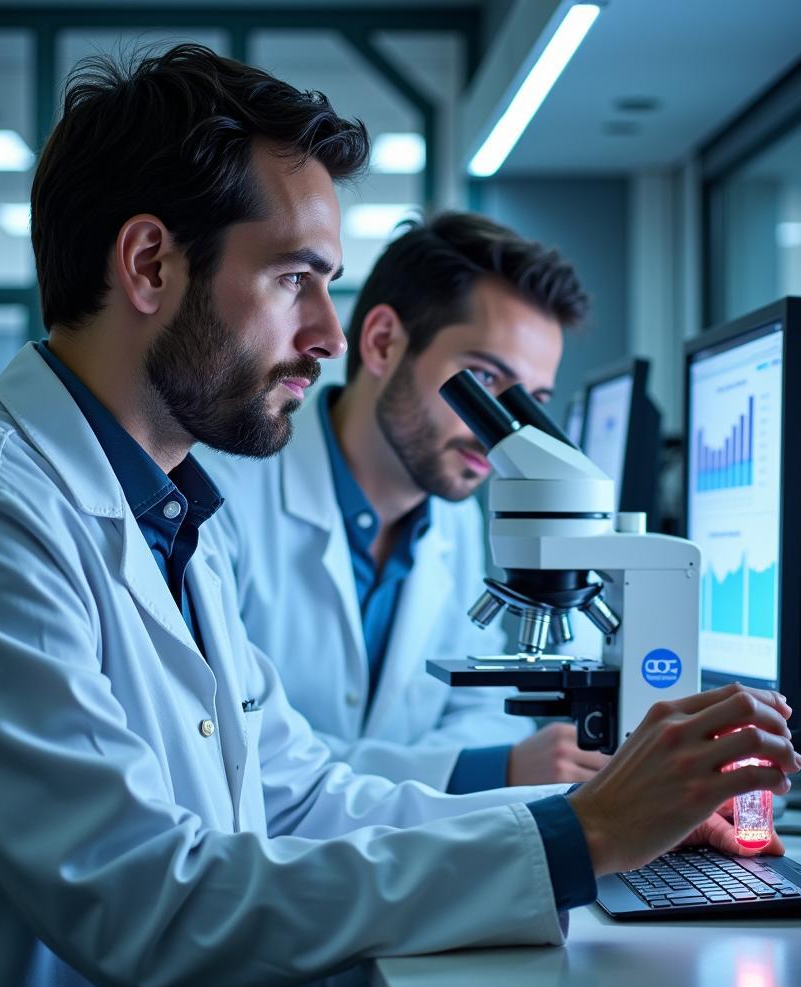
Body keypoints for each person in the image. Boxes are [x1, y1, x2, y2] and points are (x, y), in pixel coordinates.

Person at [0, 45, 801, 987]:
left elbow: (304, 797)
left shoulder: (171, 516)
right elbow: (144, 905)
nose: (327, 332)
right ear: (149, 265)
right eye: (294, 279)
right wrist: (582, 840)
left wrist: (586, 818)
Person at [200, 212, 610, 795]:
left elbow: (479, 713)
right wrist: (494, 769)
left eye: (532, 401)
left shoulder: (458, 521)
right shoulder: (221, 497)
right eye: (485, 382)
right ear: (383, 343)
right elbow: (230, 754)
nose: (505, 433)